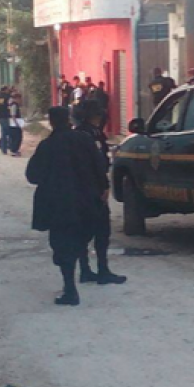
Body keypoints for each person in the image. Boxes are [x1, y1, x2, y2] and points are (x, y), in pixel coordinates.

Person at [26, 107, 108, 306]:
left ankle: (70, 289)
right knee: (81, 238)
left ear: (52, 122)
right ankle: (86, 271)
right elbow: (100, 165)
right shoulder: (85, 140)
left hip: (58, 204)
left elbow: (32, 175)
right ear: (69, 120)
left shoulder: (47, 146)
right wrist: (103, 187)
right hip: (87, 200)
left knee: (63, 246)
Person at [75, 100, 128, 286]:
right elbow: (97, 163)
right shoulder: (90, 134)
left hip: (81, 188)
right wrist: (104, 186)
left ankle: (86, 270)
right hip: (93, 187)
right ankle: (101, 270)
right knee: (100, 230)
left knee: (85, 231)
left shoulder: (81, 133)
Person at [0, 86, 12, 155]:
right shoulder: (6, 97)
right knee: (7, 132)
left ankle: (3, 147)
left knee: (4, 131)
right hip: (4, 116)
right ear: (5, 90)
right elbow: (9, 105)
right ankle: (4, 146)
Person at [8, 92, 24, 158]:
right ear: (17, 98)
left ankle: (15, 150)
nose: (20, 100)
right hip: (14, 125)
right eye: (20, 99)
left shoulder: (14, 105)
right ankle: (14, 151)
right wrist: (17, 124)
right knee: (17, 138)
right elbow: (13, 115)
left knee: (16, 138)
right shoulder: (14, 105)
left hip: (14, 124)